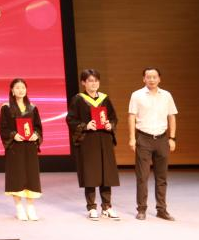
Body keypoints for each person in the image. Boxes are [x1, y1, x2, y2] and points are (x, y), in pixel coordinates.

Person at [66, 69, 120, 220]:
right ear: (83, 82)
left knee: (106, 173)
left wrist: (110, 125)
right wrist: (85, 125)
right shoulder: (78, 99)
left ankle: (107, 207)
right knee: (90, 174)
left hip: (104, 140)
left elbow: (113, 117)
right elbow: (70, 120)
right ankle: (91, 207)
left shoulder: (105, 98)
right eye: (90, 80)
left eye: (96, 80)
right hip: (88, 141)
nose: (94, 83)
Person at [128, 67, 178, 221]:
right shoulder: (137, 95)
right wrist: (132, 138)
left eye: (154, 77)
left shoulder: (167, 95)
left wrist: (172, 138)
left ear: (159, 79)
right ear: (144, 79)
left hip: (162, 139)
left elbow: (172, 117)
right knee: (142, 176)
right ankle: (141, 209)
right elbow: (131, 117)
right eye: (148, 77)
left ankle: (161, 209)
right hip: (143, 138)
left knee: (162, 177)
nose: (151, 79)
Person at [0, 78, 43, 221]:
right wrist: (13, 135)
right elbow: (3, 127)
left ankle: (30, 207)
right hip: (15, 147)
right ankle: (19, 207)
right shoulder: (6, 108)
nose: (20, 90)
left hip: (30, 146)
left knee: (31, 176)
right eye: (17, 87)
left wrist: (36, 135)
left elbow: (38, 127)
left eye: (23, 87)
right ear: (12, 90)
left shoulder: (32, 108)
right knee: (16, 176)